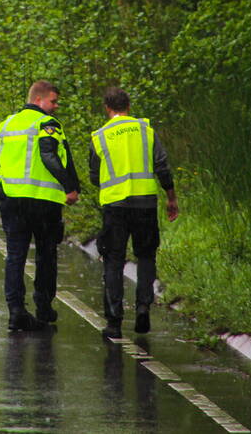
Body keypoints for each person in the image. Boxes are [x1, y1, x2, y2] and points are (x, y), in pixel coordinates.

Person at [89, 86, 177, 338]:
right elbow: (162, 166)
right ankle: (143, 307)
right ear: (128, 106)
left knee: (113, 260)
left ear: (107, 108)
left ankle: (114, 321)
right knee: (146, 256)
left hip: (114, 206)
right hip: (145, 203)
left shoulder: (99, 136)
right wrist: (171, 197)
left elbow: (95, 176)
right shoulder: (146, 131)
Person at [0, 80, 80, 331]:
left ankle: (16, 311)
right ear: (38, 99)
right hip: (43, 202)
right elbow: (49, 155)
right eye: (53, 101)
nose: (56, 106)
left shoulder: (6, 124)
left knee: (15, 255)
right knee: (46, 255)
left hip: (11, 198)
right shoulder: (47, 124)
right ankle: (43, 308)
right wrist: (70, 187)